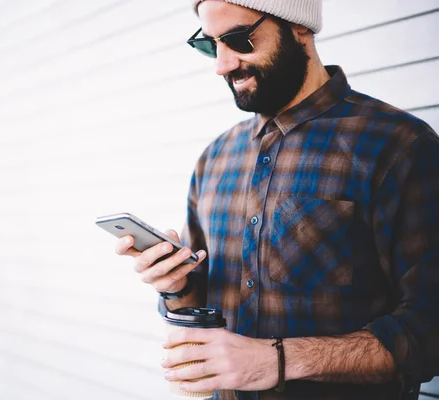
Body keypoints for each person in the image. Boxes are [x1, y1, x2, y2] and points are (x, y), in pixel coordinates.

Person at [114, 0, 439, 399]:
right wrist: (177, 287)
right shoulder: (215, 158)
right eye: (210, 45)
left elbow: (430, 327)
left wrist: (277, 360)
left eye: (238, 39)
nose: (222, 64)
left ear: (298, 25)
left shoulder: (398, 146)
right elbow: (200, 304)